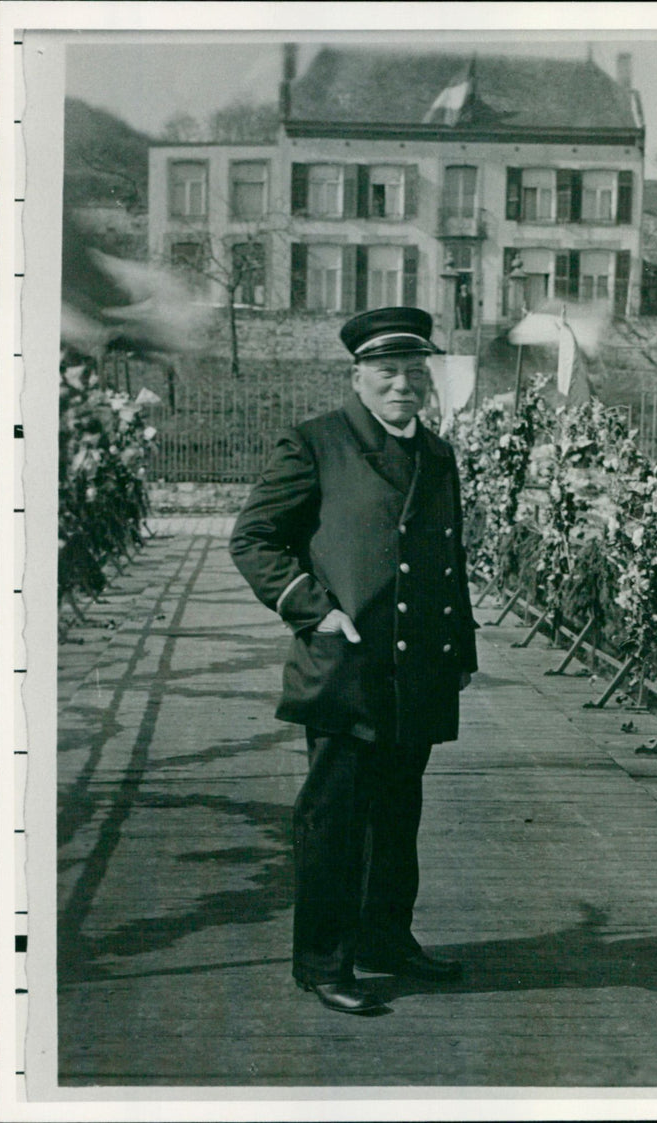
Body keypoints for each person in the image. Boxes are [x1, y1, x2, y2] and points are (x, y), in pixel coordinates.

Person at [229, 307, 478, 1015]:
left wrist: (461, 647)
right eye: (387, 372)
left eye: (414, 372)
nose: (403, 385)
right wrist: (315, 608)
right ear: (358, 376)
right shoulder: (316, 442)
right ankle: (323, 961)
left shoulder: (436, 453)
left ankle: (384, 939)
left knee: (400, 813)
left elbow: (447, 558)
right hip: (346, 665)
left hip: (419, 668)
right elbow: (253, 539)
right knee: (335, 818)